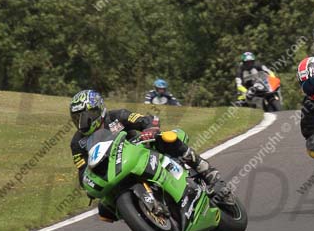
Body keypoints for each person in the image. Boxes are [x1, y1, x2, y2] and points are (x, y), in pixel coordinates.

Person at [69, 89, 224, 221]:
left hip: (138, 149)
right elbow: (82, 170)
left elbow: (144, 120)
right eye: (77, 118)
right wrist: (87, 183)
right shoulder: (77, 143)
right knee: (105, 210)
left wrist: (149, 129)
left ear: (98, 110)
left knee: (167, 138)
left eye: (85, 116)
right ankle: (142, 213)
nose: (82, 122)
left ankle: (206, 171)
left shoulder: (117, 116)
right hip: (112, 172)